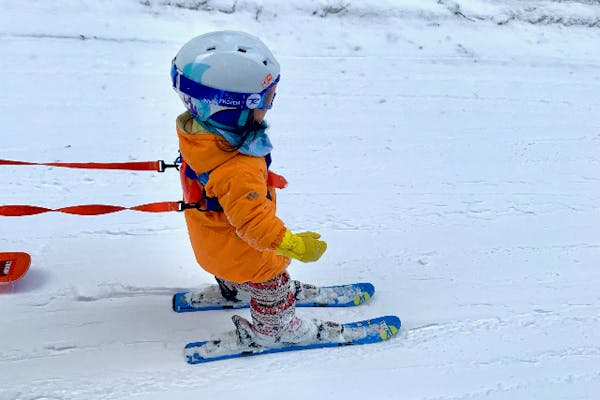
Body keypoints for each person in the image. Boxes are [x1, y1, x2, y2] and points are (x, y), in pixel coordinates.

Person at [171, 31, 336, 347]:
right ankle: (274, 329)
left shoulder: (198, 134)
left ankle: (234, 287)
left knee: (244, 267)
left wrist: (260, 182)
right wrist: (293, 245)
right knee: (274, 282)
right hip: (242, 253)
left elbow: (223, 187)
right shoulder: (238, 166)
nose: (270, 106)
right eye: (266, 99)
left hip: (213, 243)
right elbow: (255, 226)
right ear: (232, 108)